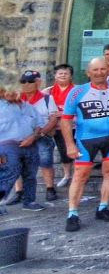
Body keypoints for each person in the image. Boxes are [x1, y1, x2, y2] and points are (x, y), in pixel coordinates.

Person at [59, 58, 109, 232]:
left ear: (108, 71)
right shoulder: (77, 92)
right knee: (80, 175)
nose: (99, 72)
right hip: (87, 140)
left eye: (103, 69)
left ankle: (103, 207)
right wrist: (70, 145)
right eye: (95, 70)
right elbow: (65, 121)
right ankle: (72, 213)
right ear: (88, 72)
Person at [0, 82, 44, 212]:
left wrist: (33, 137)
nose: (11, 93)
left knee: (30, 175)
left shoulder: (29, 107)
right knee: (8, 174)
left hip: (31, 145)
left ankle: (29, 202)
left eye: (14, 90)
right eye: (8, 91)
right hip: (7, 146)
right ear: (2, 92)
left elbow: (39, 125)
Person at [20, 70, 60, 202]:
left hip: (43, 135)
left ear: (37, 83)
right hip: (22, 136)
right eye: (23, 81)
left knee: (45, 162)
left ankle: (50, 189)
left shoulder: (47, 98)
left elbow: (53, 119)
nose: (27, 84)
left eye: (30, 81)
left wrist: (40, 134)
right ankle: (19, 192)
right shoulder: (17, 99)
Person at [44, 63, 75, 189]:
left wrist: (64, 113)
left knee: (75, 151)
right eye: (60, 73)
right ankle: (67, 175)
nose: (63, 75)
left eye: (66, 73)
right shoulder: (47, 91)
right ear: (55, 76)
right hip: (55, 127)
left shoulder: (77, 90)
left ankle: (77, 174)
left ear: (71, 76)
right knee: (63, 152)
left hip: (74, 126)